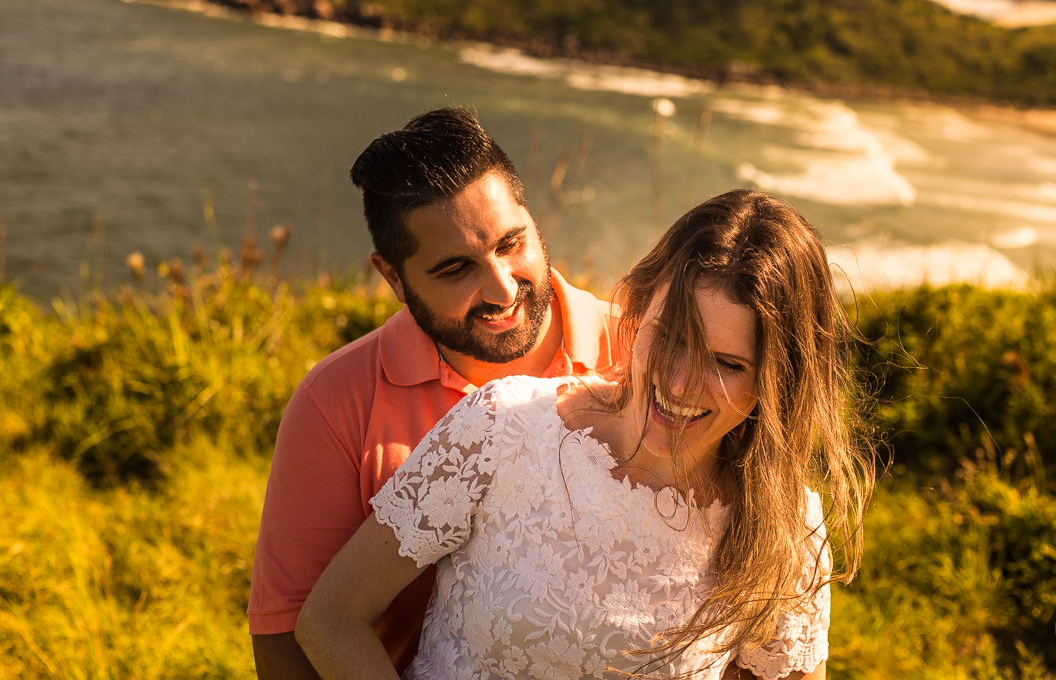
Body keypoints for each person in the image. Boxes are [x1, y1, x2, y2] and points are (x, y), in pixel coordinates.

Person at [296, 189, 876, 680]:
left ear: (777, 383)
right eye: (671, 337)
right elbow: (329, 617)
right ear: (638, 309)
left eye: (727, 364)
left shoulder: (787, 529)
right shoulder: (500, 428)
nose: (679, 383)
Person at [249, 108, 618, 680]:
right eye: (455, 269)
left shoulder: (649, 353)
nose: (501, 287)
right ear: (393, 278)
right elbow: (285, 642)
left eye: (511, 243)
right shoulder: (335, 402)